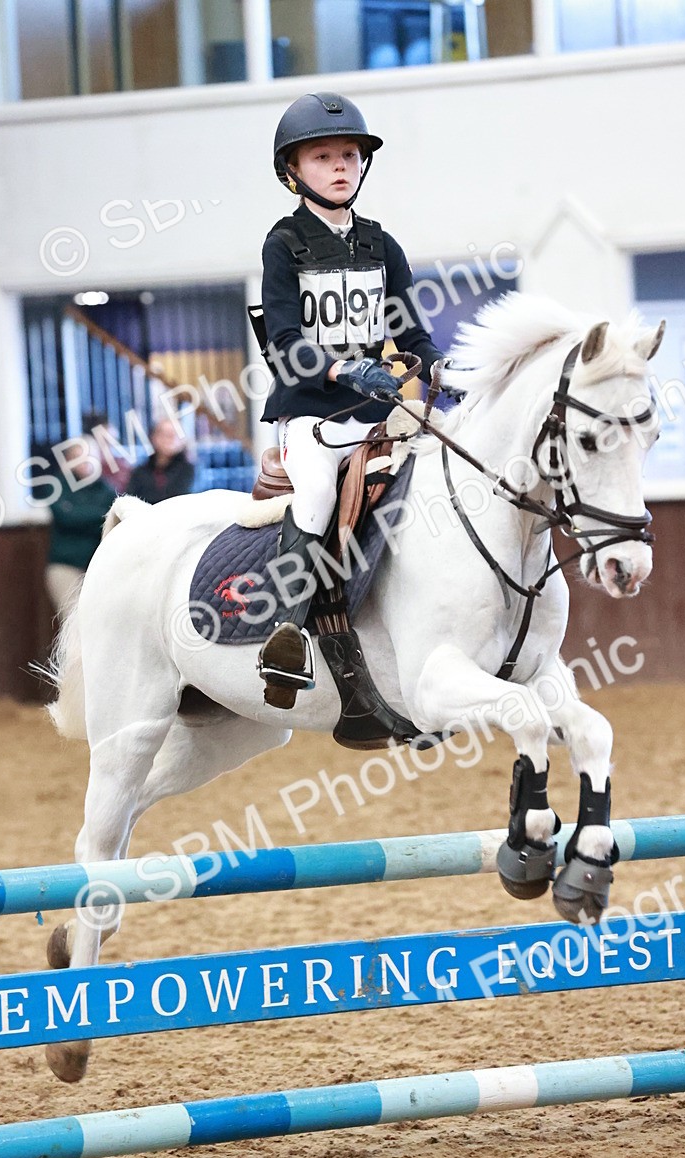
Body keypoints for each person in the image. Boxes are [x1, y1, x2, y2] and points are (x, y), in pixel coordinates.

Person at [256, 91, 452, 709]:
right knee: (315, 493)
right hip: (311, 412)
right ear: (294, 170)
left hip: (376, 414)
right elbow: (285, 343)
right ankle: (285, 634)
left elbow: (412, 332)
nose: (340, 166)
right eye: (323, 157)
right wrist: (346, 369)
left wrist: (437, 366)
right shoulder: (282, 245)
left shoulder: (381, 245)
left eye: (349, 155)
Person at [45, 436, 116, 620]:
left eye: (90, 455)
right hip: (66, 567)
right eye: (78, 456)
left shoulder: (106, 489)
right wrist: (99, 515)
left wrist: (81, 514)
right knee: (75, 622)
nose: (85, 461)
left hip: (97, 569)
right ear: (68, 461)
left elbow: (112, 518)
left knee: (101, 622)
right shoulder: (56, 485)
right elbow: (67, 517)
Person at [125, 418, 194, 504]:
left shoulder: (191, 470)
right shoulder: (139, 472)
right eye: (165, 434)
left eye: (175, 434)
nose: (171, 438)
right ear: (153, 437)